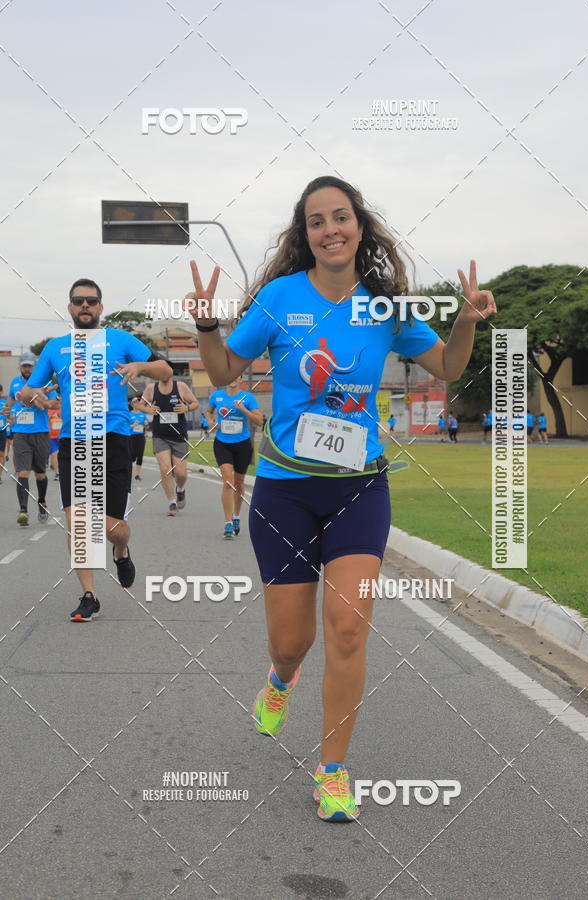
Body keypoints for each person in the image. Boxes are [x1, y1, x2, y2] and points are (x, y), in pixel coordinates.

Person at [185, 175, 496, 821]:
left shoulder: (385, 307)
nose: (331, 229)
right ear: (305, 235)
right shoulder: (279, 297)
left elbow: (447, 367)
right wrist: (208, 325)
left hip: (360, 487)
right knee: (290, 642)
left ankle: (332, 771)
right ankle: (280, 680)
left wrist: (466, 323)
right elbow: (222, 372)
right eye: (317, 221)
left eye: (341, 216)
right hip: (286, 491)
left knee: (349, 627)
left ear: (360, 226)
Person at [21, 278, 172, 621]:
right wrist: (33, 395)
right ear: (70, 307)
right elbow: (29, 390)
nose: (85, 305)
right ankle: (89, 595)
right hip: (73, 441)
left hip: (113, 439)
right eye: (79, 301)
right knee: (77, 520)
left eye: (91, 300)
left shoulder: (121, 339)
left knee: (113, 528)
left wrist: (140, 366)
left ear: (101, 307)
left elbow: (164, 369)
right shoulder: (56, 347)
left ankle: (121, 550)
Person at [2, 352, 58, 525]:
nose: (27, 369)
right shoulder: (14, 383)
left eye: (29, 366)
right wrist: (7, 411)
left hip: (41, 432)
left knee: (40, 474)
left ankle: (42, 502)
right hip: (20, 433)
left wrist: (41, 402)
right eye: (24, 366)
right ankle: (23, 510)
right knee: (23, 472)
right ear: (20, 367)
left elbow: (54, 403)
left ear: (35, 367)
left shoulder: (45, 383)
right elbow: (10, 403)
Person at [206, 376, 262, 538]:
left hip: (242, 444)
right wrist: (210, 422)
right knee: (228, 481)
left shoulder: (247, 397)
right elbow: (208, 411)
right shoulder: (217, 395)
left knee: (239, 482)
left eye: (237, 375)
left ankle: (236, 516)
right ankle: (228, 522)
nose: (233, 378)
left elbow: (259, 421)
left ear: (241, 379)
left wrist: (244, 409)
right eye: (230, 375)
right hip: (222, 443)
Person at [137, 376, 199, 515]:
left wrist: (187, 407)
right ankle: (172, 502)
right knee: (165, 469)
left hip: (179, 435)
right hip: (160, 436)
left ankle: (180, 489)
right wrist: (149, 410)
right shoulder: (151, 388)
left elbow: (195, 403)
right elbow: (140, 405)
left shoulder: (181, 386)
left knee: (180, 473)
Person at [129, 401, 148, 481]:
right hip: (131, 436)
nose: (137, 404)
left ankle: (137, 475)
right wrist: (132, 425)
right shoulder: (129, 414)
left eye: (138, 403)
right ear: (132, 404)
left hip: (140, 436)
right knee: (132, 456)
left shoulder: (143, 414)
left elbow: (146, 425)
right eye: (135, 402)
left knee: (140, 455)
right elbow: (125, 426)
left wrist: (146, 424)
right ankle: (128, 472)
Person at [48, 406, 62, 480]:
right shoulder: (48, 410)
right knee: (54, 454)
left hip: (62, 436)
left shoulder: (63, 409)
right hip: (52, 437)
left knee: (62, 455)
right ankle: (57, 473)